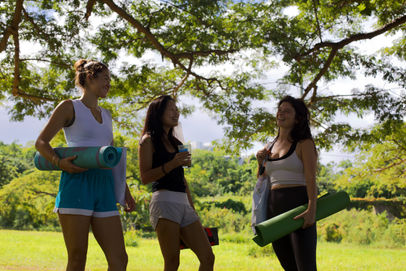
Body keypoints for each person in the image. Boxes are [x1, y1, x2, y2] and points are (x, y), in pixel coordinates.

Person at [35, 59, 136, 271]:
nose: (109, 83)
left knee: (119, 259)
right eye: (105, 79)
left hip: (105, 189)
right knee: (77, 259)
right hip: (76, 185)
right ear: (90, 78)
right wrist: (59, 162)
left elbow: (113, 157)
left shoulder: (107, 115)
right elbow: (41, 143)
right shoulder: (69, 107)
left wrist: (124, 191)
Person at [138, 95, 215, 271]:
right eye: (171, 109)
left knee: (208, 257)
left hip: (183, 204)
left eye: (176, 109)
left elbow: (182, 178)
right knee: (172, 262)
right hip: (164, 203)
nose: (176, 113)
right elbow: (145, 177)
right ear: (159, 113)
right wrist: (172, 163)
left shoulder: (176, 142)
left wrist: (192, 208)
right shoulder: (148, 140)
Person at [256, 96, 318, 271]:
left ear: (297, 118)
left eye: (287, 111)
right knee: (288, 266)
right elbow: (262, 181)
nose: (281, 113)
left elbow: (311, 178)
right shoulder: (269, 145)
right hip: (274, 210)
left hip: (299, 207)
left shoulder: (304, 143)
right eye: (280, 109)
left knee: (306, 267)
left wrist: (311, 210)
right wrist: (260, 163)